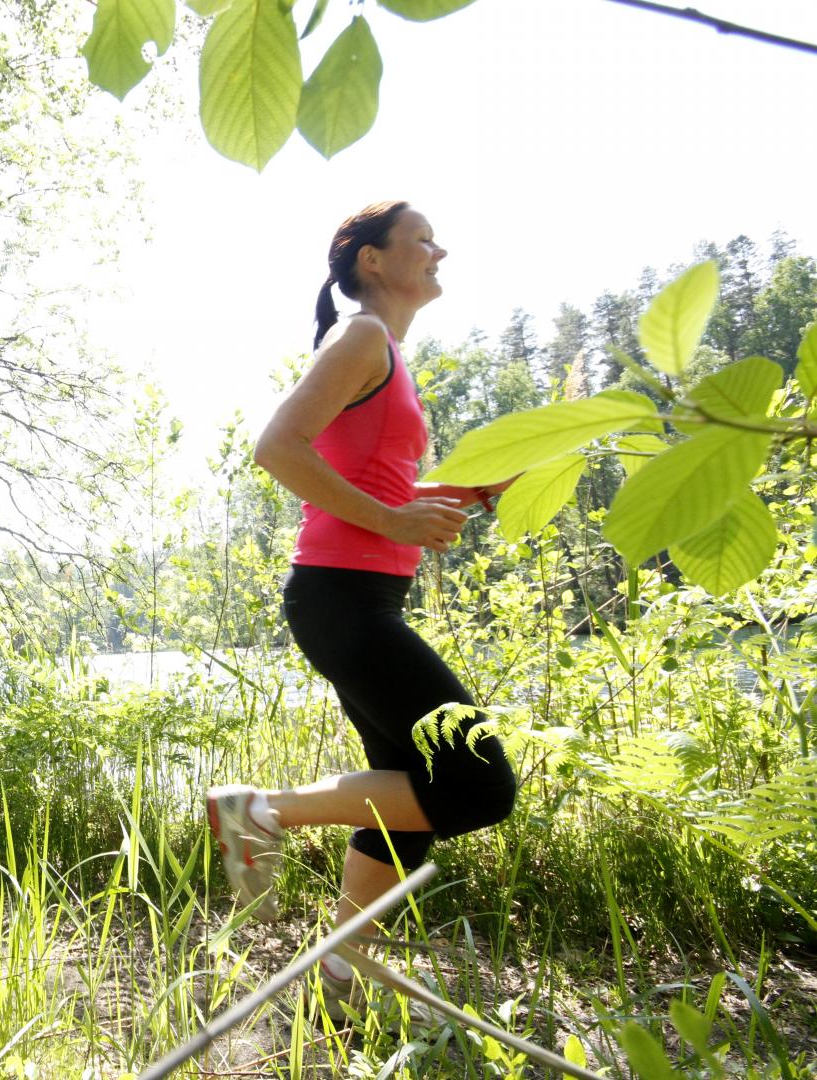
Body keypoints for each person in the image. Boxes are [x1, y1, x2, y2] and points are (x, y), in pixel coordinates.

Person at [207, 202, 518, 1022]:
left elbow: (376, 488)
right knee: (480, 785)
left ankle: (337, 985)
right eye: (423, 239)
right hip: (341, 600)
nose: (440, 248)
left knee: (404, 798)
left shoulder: (389, 355)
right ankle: (261, 811)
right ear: (373, 260)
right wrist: (396, 521)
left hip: (362, 597)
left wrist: (453, 495)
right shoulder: (362, 339)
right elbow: (276, 447)